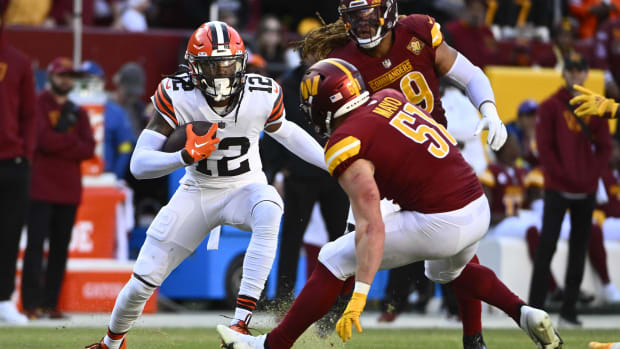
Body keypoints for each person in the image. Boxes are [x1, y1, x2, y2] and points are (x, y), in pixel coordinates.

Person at [217, 58, 562, 349]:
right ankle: (520, 313)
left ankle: (269, 346)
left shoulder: (344, 141)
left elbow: (371, 226)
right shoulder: (388, 96)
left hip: (441, 218)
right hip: (475, 201)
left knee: (334, 258)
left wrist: (360, 294)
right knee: (446, 271)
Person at [85, 21, 328, 349]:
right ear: (194, 68)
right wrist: (183, 156)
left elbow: (286, 132)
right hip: (197, 192)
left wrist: (332, 162)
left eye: (228, 64)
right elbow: (138, 164)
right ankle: (111, 342)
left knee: (270, 205)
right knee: (142, 281)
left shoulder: (262, 92)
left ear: (242, 62)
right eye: (212, 66)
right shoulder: (178, 93)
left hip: (245, 188)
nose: (222, 74)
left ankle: (240, 324)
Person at [298, 1, 508, 347]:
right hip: (378, 163)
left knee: (459, 254)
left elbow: (469, 74)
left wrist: (489, 110)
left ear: (389, 11)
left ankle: (474, 336)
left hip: (430, 160)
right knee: (349, 247)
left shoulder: (417, 32)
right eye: (354, 18)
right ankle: (328, 328)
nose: (363, 25)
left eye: (369, 16)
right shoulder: (347, 58)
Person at [529, 53, 612, 327]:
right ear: (564, 73)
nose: (575, 74)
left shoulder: (596, 106)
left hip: (585, 189)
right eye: (571, 69)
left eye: (580, 69)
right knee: (546, 247)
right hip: (558, 188)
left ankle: (569, 311)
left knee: (579, 249)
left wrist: (590, 174)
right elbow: (545, 147)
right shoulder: (551, 106)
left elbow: (605, 147)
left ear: (586, 73)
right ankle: (534, 310)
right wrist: (562, 175)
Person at [22, 57, 95, 320]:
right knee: (34, 247)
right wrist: (70, 144)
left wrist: (59, 143)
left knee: (60, 250)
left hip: (68, 191)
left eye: (70, 76)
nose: (66, 80)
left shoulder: (79, 111)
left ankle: (50, 304)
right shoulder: (38, 104)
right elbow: (40, 140)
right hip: (40, 189)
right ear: (51, 75)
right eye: (62, 75)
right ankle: (30, 305)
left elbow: (89, 149)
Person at [0, 0, 37, 325]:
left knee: (10, 233)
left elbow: (29, 115)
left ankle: (3, 299)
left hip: (12, 162)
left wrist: (25, 153)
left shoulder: (18, 62)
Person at [80, 60, 135, 178]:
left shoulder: (115, 112)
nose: (86, 83)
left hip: (104, 175)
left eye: (91, 79)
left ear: (102, 82)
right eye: (82, 79)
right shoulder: (68, 109)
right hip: (72, 175)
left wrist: (115, 176)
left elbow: (125, 147)